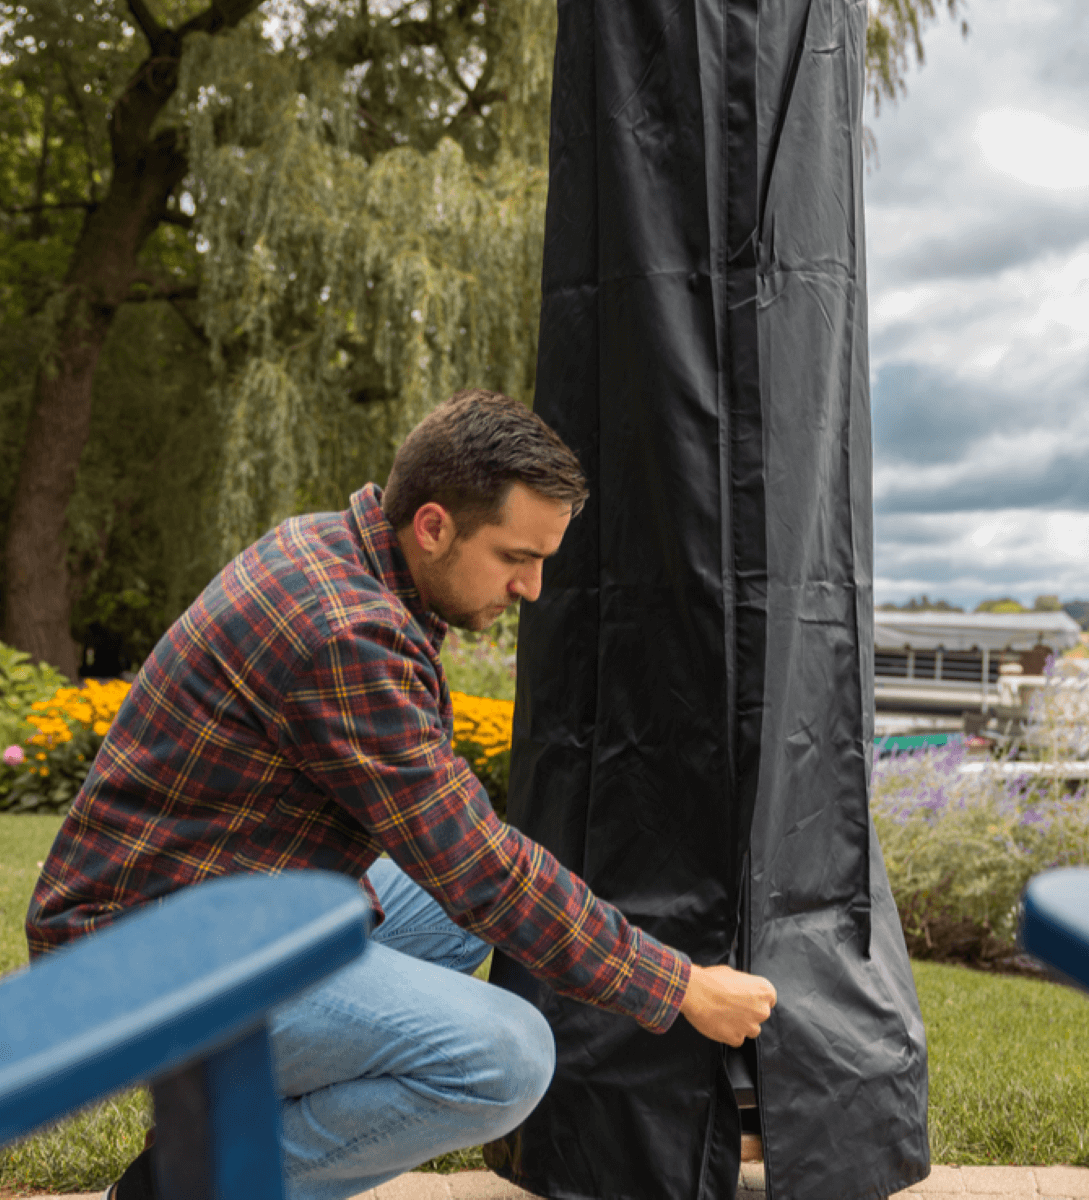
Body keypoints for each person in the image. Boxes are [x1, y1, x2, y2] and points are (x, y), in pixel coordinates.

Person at [27, 389, 777, 1200]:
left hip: (213, 902)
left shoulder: (339, 550)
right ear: (433, 525)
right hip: (138, 970)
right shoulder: (347, 632)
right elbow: (482, 872)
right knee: (505, 1058)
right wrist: (681, 987)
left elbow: (461, 856)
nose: (531, 587)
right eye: (515, 556)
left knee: (451, 909)